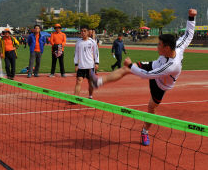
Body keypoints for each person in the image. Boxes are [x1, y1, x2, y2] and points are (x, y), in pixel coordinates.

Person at [90, 9, 197, 146]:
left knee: (151, 109)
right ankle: (98, 82)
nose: (157, 47)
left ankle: (145, 132)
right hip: (154, 66)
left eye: (159, 45)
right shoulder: (178, 45)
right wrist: (191, 17)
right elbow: (188, 34)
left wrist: (132, 66)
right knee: (125, 69)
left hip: (160, 85)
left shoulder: (172, 65)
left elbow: (147, 75)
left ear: (167, 48)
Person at [73, 25, 99, 100]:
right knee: (78, 81)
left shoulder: (92, 42)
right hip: (81, 66)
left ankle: (90, 96)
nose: (83, 32)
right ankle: (75, 98)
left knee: (90, 82)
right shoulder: (78, 42)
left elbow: (96, 53)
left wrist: (96, 63)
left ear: (88, 32)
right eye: (82, 31)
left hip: (90, 66)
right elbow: (76, 54)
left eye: (85, 31)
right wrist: (76, 64)